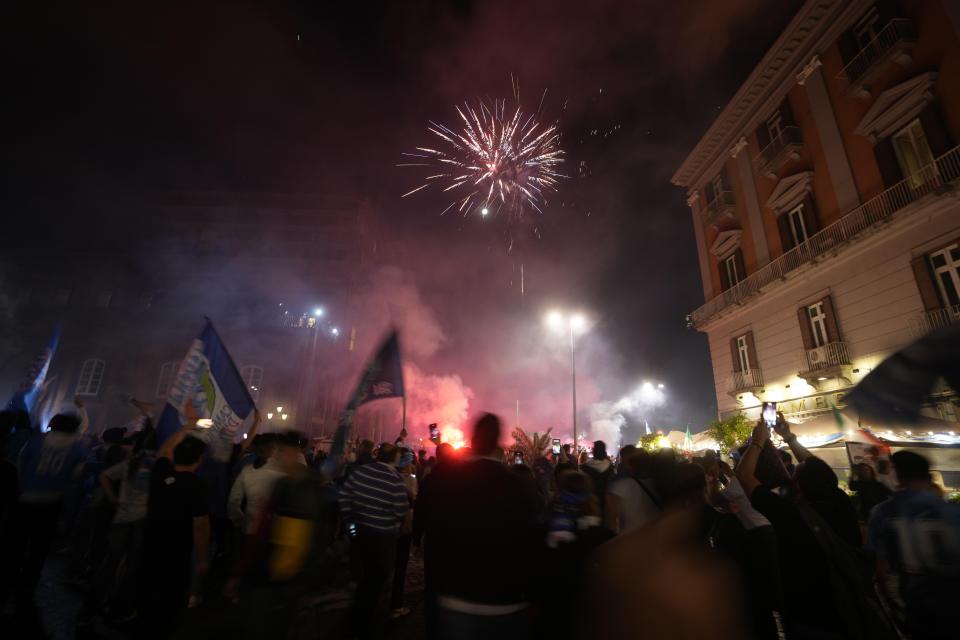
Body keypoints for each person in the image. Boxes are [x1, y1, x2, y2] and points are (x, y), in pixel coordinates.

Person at [738, 417, 895, 639]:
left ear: (798, 486)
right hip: (851, 603)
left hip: (809, 615)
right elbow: (818, 469)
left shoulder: (788, 513)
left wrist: (758, 442)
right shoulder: (841, 501)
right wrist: (788, 437)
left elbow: (743, 476)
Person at [428, 413, 537, 640]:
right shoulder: (519, 485)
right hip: (506, 599)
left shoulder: (450, 481)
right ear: (498, 442)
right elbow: (531, 540)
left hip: (457, 596)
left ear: (474, 440)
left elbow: (436, 534)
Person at [868, 450, 960, 640]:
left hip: (917, 608)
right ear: (928, 475)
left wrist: (894, 611)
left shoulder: (883, 513)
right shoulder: (951, 512)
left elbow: (881, 572)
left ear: (897, 474)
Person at [138, 425, 210, 637]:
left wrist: (186, 427)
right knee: (170, 597)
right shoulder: (197, 485)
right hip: (177, 550)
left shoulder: (160, 473)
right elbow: (200, 525)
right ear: (199, 460)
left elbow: (163, 451)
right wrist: (203, 557)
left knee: (148, 591)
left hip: (150, 543)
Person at [11, 411, 88, 603]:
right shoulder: (79, 449)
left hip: (26, 498)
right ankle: (28, 585)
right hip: (52, 502)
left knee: (17, 542)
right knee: (39, 547)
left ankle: (8, 577)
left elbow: (20, 465)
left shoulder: (36, 442)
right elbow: (76, 479)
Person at [338, 442, 409, 639]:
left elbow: (344, 497)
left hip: (359, 532)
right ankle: (363, 624)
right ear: (395, 458)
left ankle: (357, 616)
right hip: (382, 537)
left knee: (362, 574)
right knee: (376, 580)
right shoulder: (395, 479)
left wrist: (351, 524)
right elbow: (401, 510)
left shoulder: (360, 472)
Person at [412, 442, 456, 640]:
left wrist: (416, 539)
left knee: (432, 586)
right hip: (456, 540)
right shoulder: (463, 479)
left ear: (437, 456)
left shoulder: (430, 481)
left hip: (434, 538)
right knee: (452, 583)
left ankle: (432, 629)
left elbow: (419, 511)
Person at [228, 433, 285, 538]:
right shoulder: (281, 473)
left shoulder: (247, 470)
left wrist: (241, 521)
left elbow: (233, 502)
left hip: (249, 528)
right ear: (274, 449)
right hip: (272, 532)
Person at [390, 447, 418, 619]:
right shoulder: (409, 479)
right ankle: (396, 605)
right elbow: (413, 496)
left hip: (386, 527)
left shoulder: (389, 475)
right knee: (400, 567)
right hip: (402, 526)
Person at [604, 450, 660, 534]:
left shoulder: (620, 486)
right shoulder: (659, 483)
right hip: (655, 537)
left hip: (629, 539)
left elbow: (611, 521)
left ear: (630, 465)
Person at [581, 440, 614, 515]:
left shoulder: (585, 467)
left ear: (594, 451)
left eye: (593, 448)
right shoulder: (610, 467)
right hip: (605, 503)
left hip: (589, 504)